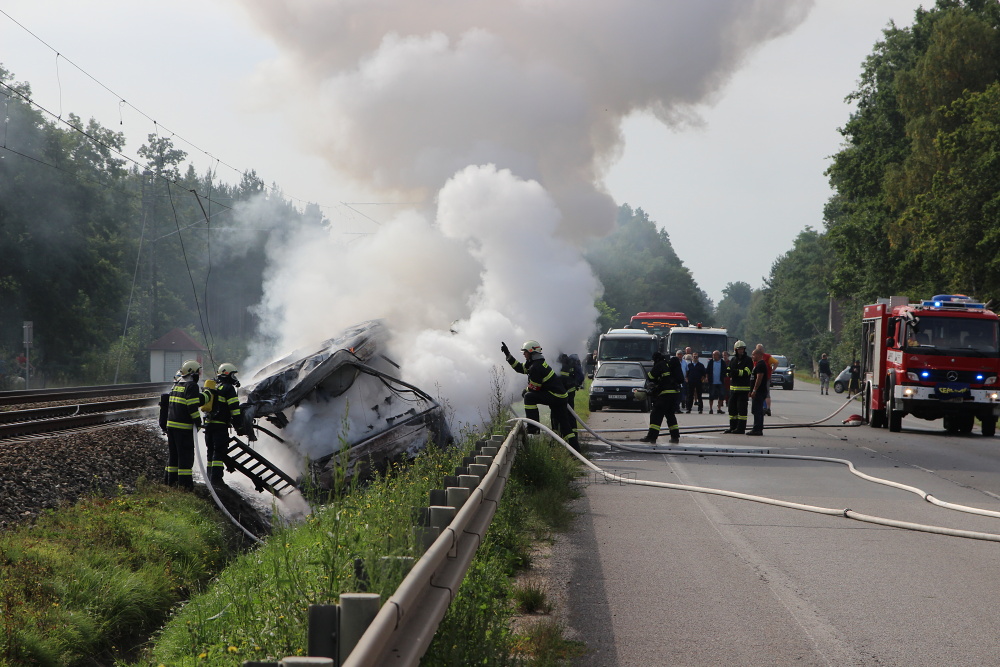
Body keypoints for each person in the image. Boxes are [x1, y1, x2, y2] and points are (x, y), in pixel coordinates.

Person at [502, 340, 580, 451]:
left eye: (525, 352)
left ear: (532, 352)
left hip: (556, 397)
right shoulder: (534, 363)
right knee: (565, 426)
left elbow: (535, 387)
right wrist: (508, 355)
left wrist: (526, 390)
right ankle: (576, 452)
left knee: (529, 396)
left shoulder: (536, 367)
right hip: (560, 396)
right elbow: (520, 368)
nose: (524, 354)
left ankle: (533, 428)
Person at [163, 360, 210, 489]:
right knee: (185, 457)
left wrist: (206, 395)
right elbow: (192, 406)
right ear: (192, 373)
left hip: (171, 427)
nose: (198, 376)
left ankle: (170, 483)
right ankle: (185, 486)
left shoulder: (177, 385)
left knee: (174, 457)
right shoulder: (192, 386)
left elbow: (192, 400)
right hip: (183, 429)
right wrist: (198, 422)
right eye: (197, 373)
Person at [202, 363, 246, 483]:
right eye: (233, 374)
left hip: (209, 424)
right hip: (220, 426)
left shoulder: (216, 387)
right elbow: (234, 409)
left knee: (210, 451)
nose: (234, 377)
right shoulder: (228, 388)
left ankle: (209, 478)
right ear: (227, 374)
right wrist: (239, 426)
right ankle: (216, 480)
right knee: (219, 451)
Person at [640, 351, 681, 444]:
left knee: (656, 415)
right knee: (670, 415)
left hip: (665, 394)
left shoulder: (659, 364)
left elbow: (650, 376)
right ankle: (675, 437)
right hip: (674, 394)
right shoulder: (669, 365)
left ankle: (652, 437)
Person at [725, 341, 753, 434]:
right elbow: (728, 370)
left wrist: (735, 372)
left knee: (742, 410)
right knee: (732, 409)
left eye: (742, 349)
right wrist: (728, 372)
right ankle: (732, 427)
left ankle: (741, 429)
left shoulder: (748, 360)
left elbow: (747, 372)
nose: (741, 351)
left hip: (743, 390)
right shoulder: (733, 360)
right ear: (735, 350)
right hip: (733, 389)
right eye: (739, 349)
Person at [747, 348, 769, 435]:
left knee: (757, 411)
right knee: (756, 410)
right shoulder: (757, 364)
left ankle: (757, 429)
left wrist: (755, 390)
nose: (752, 356)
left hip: (759, 391)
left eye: (754, 355)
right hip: (756, 391)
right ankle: (758, 428)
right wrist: (751, 390)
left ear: (759, 355)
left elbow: (759, 378)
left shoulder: (761, 365)